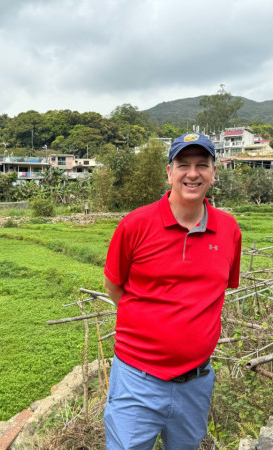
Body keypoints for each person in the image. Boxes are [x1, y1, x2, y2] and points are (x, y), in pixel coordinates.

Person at [103, 133, 241, 449]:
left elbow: (218, 291)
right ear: (169, 172)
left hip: (195, 383)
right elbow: (114, 285)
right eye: (183, 165)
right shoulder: (135, 225)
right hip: (137, 379)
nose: (192, 173)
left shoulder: (229, 229)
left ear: (213, 173)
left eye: (202, 165)